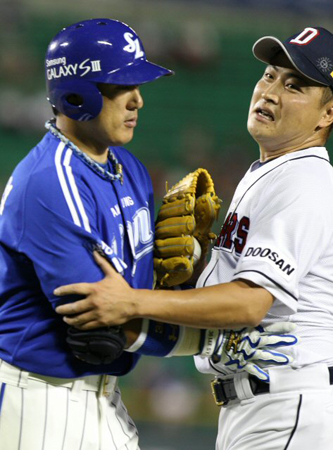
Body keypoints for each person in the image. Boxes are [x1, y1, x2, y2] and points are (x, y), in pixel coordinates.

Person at [0, 17, 296, 450]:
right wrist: (213, 338)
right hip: (41, 401)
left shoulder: (129, 170)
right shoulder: (49, 183)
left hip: (101, 397)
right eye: (122, 87)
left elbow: (142, 291)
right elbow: (99, 331)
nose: (138, 100)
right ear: (77, 93)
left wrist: (195, 269)